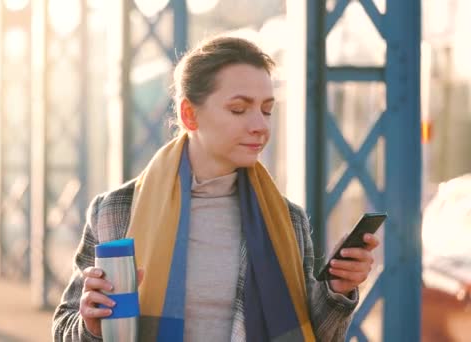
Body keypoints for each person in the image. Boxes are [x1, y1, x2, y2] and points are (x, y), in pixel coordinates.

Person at [52, 35, 379, 342]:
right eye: (239, 109)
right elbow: (66, 325)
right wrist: (90, 324)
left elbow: (312, 334)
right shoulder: (116, 210)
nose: (260, 126)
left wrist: (337, 288)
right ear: (189, 114)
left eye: (267, 110)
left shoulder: (288, 220)